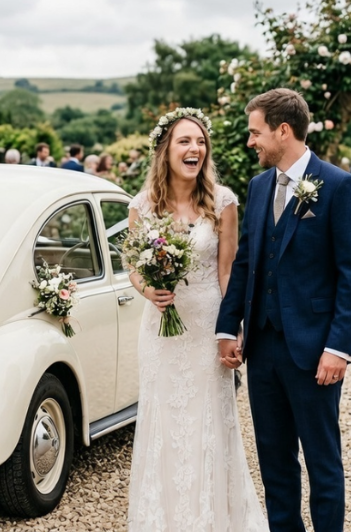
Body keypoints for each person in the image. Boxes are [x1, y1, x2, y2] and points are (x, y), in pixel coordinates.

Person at [216, 88, 351, 532]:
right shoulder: (259, 186)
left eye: (255, 132)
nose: (251, 142)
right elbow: (245, 263)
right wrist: (228, 329)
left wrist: (338, 349)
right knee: (275, 462)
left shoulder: (340, 186)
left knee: (323, 462)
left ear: (283, 131)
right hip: (262, 350)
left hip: (314, 351)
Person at [126, 108, 268, 531]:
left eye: (201, 141)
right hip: (161, 331)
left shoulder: (222, 202)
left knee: (209, 420)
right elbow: (133, 266)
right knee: (164, 421)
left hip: (207, 324)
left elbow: (228, 272)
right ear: (165, 150)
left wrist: (233, 327)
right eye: (185, 141)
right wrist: (148, 289)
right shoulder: (142, 206)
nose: (195, 149)